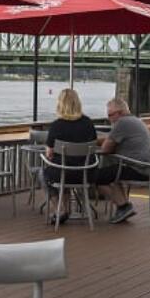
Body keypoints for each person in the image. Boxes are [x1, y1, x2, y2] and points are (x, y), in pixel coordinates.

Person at [95, 98, 150, 224]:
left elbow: (105, 149)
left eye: (111, 115)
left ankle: (124, 207)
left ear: (121, 112)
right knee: (111, 172)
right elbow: (112, 139)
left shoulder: (122, 123)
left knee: (95, 177)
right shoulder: (135, 121)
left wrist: (97, 141)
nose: (109, 119)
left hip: (137, 168)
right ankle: (123, 207)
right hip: (147, 167)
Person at [43, 88, 98, 223]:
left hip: (63, 173)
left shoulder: (56, 126)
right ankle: (65, 209)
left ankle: (60, 209)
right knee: (62, 172)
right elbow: (94, 146)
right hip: (86, 174)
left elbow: (49, 154)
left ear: (60, 104)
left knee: (44, 174)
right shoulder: (88, 123)